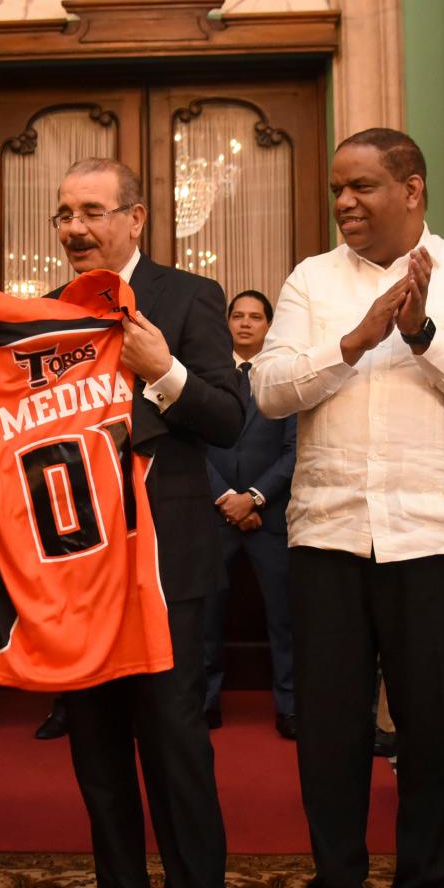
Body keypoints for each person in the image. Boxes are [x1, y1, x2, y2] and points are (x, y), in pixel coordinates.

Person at [254, 128, 444, 888]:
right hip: (327, 534)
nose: (345, 203)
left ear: (413, 188)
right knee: (330, 732)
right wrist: (355, 340)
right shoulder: (310, 279)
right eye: (338, 188)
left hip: (434, 537)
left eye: (364, 186)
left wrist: (423, 332)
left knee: (434, 731)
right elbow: (268, 388)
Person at [43, 156, 244, 888]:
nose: (75, 228)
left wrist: (162, 369)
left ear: (135, 218)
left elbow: (229, 416)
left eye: (91, 211)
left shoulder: (191, 296)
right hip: (78, 566)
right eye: (63, 214)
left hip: (169, 559)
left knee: (175, 744)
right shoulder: (44, 313)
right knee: (95, 744)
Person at [201, 289, 297, 737]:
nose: (244, 323)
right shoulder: (209, 375)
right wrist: (228, 500)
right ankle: (204, 700)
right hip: (215, 514)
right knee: (205, 616)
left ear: (269, 325)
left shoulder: (283, 378)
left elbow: (297, 449)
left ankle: (290, 705)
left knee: (285, 617)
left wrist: (254, 498)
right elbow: (194, 444)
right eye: (237, 316)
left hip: (270, 516)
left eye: (255, 317)